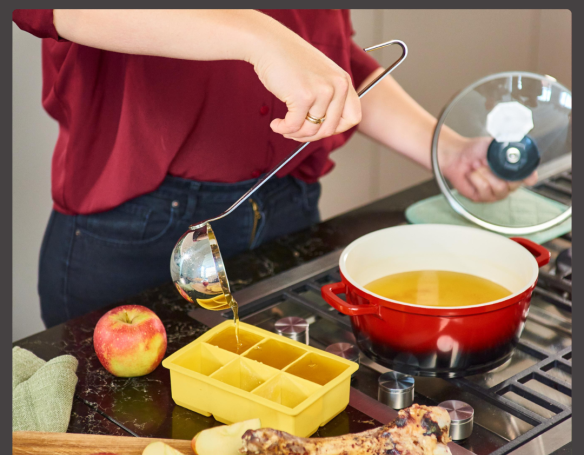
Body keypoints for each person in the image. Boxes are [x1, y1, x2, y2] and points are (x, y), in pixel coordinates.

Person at [13, 9, 537, 328]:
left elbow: (323, 63)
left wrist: (444, 148)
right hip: (136, 232)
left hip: (286, 209)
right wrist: (258, 33)